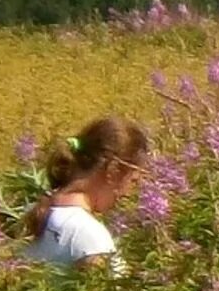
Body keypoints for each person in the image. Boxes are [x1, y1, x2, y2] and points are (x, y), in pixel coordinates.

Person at [22, 117, 150, 275]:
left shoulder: (29, 212)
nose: (128, 193)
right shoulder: (89, 236)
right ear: (113, 171)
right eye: (132, 181)